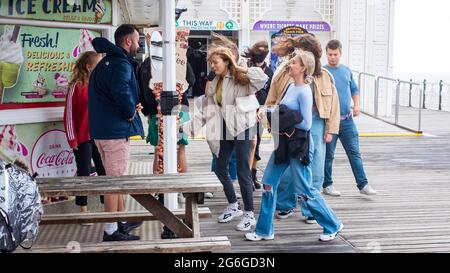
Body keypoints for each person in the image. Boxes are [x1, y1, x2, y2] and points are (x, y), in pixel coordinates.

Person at [246, 50, 343, 242]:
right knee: (268, 184)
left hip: (299, 146)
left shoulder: (305, 92)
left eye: (294, 63)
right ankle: (264, 230)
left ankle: (333, 224)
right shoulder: (290, 87)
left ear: (303, 68)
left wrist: (280, 116)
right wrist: (268, 110)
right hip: (283, 144)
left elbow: (306, 124)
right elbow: (283, 110)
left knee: (305, 189)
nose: (289, 65)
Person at [271, 34, 341, 224]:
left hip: (317, 123)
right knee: (287, 168)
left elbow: (334, 105)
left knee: (315, 169)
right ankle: (286, 204)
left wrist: (331, 130)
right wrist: (272, 125)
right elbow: (272, 100)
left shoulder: (326, 76)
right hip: (290, 126)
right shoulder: (284, 74)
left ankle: (312, 210)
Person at [89, 24, 145, 242]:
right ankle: (111, 230)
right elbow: (120, 91)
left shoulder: (104, 63)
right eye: (138, 40)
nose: (139, 45)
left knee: (115, 179)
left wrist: (129, 106)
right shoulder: (121, 64)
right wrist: (130, 111)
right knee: (114, 182)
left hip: (102, 131)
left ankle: (120, 221)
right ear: (128, 41)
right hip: (114, 132)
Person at [206, 45, 268, 232]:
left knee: (243, 171)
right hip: (227, 127)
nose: (212, 66)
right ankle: (234, 205)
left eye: (215, 62)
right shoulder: (217, 80)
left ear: (226, 61)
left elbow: (262, 78)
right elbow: (209, 102)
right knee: (220, 167)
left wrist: (241, 67)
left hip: (244, 126)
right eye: (211, 62)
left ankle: (249, 214)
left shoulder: (240, 78)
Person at [323, 39, 377, 196]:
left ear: (340, 54)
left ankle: (363, 185)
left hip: (347, 121)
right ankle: (327, 184)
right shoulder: (323, 72)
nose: (333, 57)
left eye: (335, 54)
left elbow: (354, 89)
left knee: (354, 153)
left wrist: (357, 105)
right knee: (328, 155)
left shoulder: (346, 71)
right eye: (330, 54)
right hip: (329, 123)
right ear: (326, 54)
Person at [64, 51, 106, 219]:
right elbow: (68, 114)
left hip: (99, 136)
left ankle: (107, 208)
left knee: (104, 171)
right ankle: (83, 210)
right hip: (81, 139)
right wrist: (72, 138)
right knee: (84, 173)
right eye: (98, 64)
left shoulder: (100, 85)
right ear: (89, 67)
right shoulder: (76, 86)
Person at [243, 41, 274, 190]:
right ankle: (244, 174)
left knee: (257, 143)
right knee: (246, 143)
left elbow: (271, 94)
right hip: (245, 109)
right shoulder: (245, 67)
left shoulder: (269, 71)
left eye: (264, 51)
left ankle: (252, 175)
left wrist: (269, 116)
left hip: (260, 111)